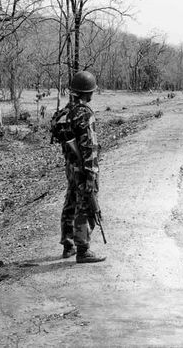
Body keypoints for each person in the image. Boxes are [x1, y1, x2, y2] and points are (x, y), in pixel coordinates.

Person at [59, 70, 106, 263]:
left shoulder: (65, 112)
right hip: (84, 168)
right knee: (85, 205)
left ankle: (68, 245)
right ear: (87, 92)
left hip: (70, 167)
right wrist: (91, 173)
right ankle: (83, 249)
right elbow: (89, 146)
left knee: (71, 202)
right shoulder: (84, 114)